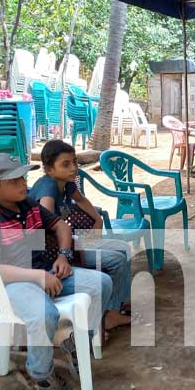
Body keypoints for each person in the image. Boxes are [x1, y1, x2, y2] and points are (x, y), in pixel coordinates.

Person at [0, 153, 113, 390]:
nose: (23, 184)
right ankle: (40, 372)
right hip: (13, 285)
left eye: (23, 178)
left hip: (47, 272)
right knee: (44, 314)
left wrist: (62, 256)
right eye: (14, 181)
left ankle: (74, 340)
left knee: (102, 283)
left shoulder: (28, 204)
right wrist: (37, 276)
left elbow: (62, 226)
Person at [30, 140, 132, 329]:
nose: (73, 168)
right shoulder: (48, 188)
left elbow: (82, 200)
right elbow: (46, 226)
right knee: (117, 259)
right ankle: (110, 314)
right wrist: (69, 251)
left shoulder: (67, 184)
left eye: (75, 162)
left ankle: (117, 305)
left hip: (67, 243)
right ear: (49, 170)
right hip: (52, 255)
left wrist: (98, 220)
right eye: (66, 164)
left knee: (123, 250)